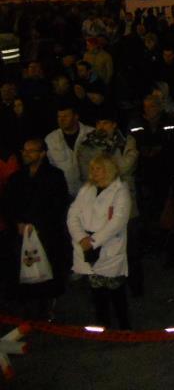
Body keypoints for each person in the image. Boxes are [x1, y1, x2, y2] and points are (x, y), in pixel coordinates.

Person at [3, 138, 70, 319]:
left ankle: (47, 307)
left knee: (48, 272)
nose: (26, 154)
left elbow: (58, 204)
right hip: (21, 233)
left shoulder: (55, 176)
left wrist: (38, 225)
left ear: (42, 153)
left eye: (31, 151)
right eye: (24, 150)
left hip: (46, 232)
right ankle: (27, 308)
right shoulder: (16, 178)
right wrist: (18, 223)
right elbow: (9, 204)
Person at [66, 154, 132, 329]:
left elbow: (117, 221)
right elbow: (73, 214)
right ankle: (103, 325)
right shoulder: (86, 189)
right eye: (92, 169)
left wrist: (94, 240)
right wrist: (81, 237)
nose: (95, 172)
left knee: (115, 289)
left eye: (99, 168)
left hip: (108, 245)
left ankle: (124, 327)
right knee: (96, 290)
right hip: (86, 244)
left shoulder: (120, 190)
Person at [44, 103, 95, 197]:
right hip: (64, 193)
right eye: (59, 116)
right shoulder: (51, 139)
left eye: (66, 116)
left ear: (76, 117)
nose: (61, 119)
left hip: (91, 191)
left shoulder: (92, 134)